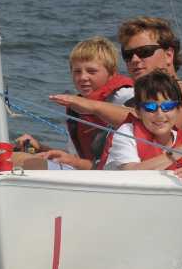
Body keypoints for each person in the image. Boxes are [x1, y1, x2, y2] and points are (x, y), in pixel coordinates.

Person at [50, 16, 182, 135]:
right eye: (128, 55)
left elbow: (153, 130)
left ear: (168, 55)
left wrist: (93, 106)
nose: (135, 59)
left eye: (144, 52)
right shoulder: (136, 100)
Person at [12, 36, 133, 170]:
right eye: (77, 71)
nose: (83, 77)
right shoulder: (76, 108)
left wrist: (74, 162)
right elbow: (75, 159)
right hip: (89, 175)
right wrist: (41, 149)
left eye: (91, 71)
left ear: (112, 73)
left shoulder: (126, 97)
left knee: (20, 161)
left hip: (117, 176)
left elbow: (112, 167)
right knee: (12, 156)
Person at [101, 71, 182, 186]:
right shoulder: (127, 132)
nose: (160, 114)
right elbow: (131, 173)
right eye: (150, 107)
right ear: (138, 111)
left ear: (178, 109)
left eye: (168, 106)